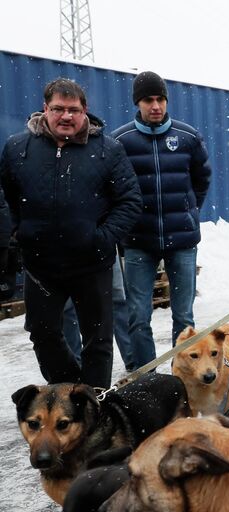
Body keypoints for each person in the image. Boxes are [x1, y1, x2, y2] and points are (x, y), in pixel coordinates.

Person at [0, 78, 142, 388]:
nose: (66, 116)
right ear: (45, 109)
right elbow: (6, 199)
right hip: (41, 267)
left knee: (98, 340)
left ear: (85, 112)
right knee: (42, 332)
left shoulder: (108, 150)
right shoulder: (17, 149)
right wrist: (14, 239)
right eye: (58, 109)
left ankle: (95, 403)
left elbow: (130, 201)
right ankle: (72, 392)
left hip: (91, 264)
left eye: (74, 110)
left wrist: (102, 238)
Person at [112, 71, 211, 367]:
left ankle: (183, 379)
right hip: (139, 243)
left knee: (184, 317)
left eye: (160, 99)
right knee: (138, 316)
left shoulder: (188, 137)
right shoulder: (121, 141)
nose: (155, 106)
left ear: (166, 101)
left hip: (182, 241)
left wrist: (189, 212)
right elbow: (113, 187)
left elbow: (201, 179)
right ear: (137, 103)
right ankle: (147, 377)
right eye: (148, 100)